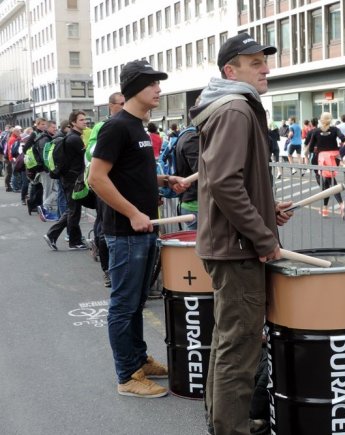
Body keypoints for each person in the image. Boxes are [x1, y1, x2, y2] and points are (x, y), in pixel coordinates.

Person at [187, 32, 293, 435]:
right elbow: (225, 184)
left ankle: (223, 422)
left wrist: (267, 211)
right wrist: (262, 237)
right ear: (231, 71)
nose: (266, 69)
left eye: (264, 61)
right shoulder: (235, 109)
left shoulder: (230, 106)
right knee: (240, 345)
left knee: (227, 341)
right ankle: (230, 428)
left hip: (229, 244)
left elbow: (229, 180)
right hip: (237, 249)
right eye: (255, 63)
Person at [88, 60, 189, 398]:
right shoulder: (116, 127)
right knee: (124, 305)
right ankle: (127, 376)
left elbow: (127, 172)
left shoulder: (137, 127)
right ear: (134, 88)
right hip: (125, 233)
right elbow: (96, 178)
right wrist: (132, 213)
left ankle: (138, 360)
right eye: (152, 84)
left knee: (136, 304)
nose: (159, 89)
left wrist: (163, 180)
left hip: (143, 231)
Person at [86, 92, 125, 287]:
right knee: (105, 229)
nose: (125, 107)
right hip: (106, 186)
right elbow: (90, 153)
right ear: (111, 106)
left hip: (126, 188)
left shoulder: (132, 124)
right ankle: (107, 270)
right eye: (121, 104)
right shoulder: (103, 126)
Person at [42, 111, 88, 251]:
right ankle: (72, 241)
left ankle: (60, 236)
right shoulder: (74, 139)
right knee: (73, 211)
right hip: (73, 179)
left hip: (69, 178)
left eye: (85, 119)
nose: (85, 122)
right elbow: (86, 158)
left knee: (72, 209)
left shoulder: (72, 137)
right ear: (73, 122)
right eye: (81, 120)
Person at [308, 112, 345, 219]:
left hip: (324, 158)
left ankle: (341, 204)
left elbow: (310, 148)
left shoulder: (316, 131)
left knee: (330, 182)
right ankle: (325, 208)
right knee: (327, 182)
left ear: (321, 120)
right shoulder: (335, 129)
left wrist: (317, 148)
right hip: (335, 156)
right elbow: (343, 138)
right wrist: (340, 143)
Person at [175, 121, 199, 229]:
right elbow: (203, 172)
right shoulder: (192, 138)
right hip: (195, 204)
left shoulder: (185, 135)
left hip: (190, 201)